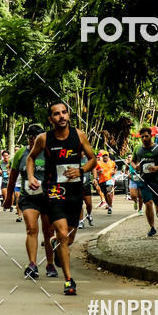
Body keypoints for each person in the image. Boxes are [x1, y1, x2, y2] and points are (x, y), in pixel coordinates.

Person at [27, 100, 96, 296]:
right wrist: (32, 177)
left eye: (64, 112)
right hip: (54, 191)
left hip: (75, 192)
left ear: (68, 115)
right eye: (57, 114)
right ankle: (68, 280)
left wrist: (81, 170)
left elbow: (93, 159)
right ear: (51, 119)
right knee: (63, 233)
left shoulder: (79, 135)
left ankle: (58, 247)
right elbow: (31, 157)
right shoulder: (43, 138)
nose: (62, 116)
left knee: (70, 236)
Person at [4, 124, 57, 279]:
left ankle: (50, 263)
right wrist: (8, 198)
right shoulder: (21, 153)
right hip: (29, 198)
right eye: (32, 137)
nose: (34, 140)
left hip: (48, 197)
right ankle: (32, 264)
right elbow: (13, 178)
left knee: (48, 232)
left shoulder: (49, 152)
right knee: (31, 229)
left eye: (39, 137)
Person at [131, 126, 158, 237]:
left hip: (157, 180)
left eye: (146, 136)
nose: (144, 138)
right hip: (144, 181)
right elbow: (132, 162)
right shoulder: (138, 149)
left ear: (151, 136)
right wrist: (136, 167)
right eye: (142, 137)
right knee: (148, 203)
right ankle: (152, 227)